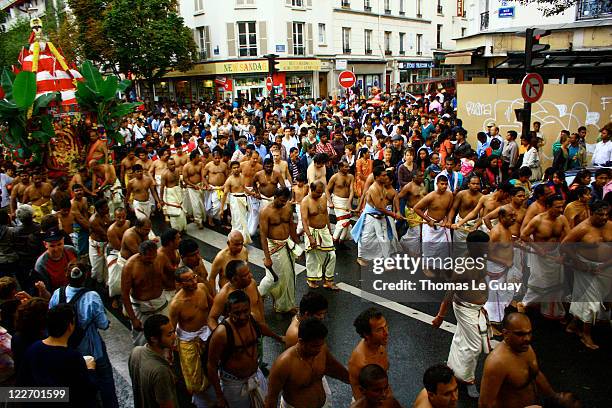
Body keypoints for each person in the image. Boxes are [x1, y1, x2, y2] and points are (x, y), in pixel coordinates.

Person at [48, 263, 118, 408]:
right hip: (93, 351)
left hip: (68, 352)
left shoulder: (57, 294)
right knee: (105, 382)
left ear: (66, 275)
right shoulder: (92, 297)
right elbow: (103, 324)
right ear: (85, 276)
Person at [432, 231, 490, 398]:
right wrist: (440, 317)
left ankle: (453, 368)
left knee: (461, 339)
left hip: (475, 308)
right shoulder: (462, 266)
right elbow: (448, 294)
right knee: (474, 346)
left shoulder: (481, 257)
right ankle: (467, 380)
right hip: (465, 309)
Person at [16, 304, 98, 407]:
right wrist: (90, 370)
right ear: (70, 326)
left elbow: (21, 385)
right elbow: (86, 392)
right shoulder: (72, 357)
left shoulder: (33, 348)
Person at [265, 318, 350, 408]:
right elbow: (271, 399)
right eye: (314, 346)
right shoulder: (284, 364)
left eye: (321, 344)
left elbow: (335, 370)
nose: (319, 349)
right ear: (301, 341)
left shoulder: (322, 350)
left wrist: (357, 383)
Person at [479, 313, 558, 408]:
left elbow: (536, 374)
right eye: (520, 334)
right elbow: (485, 404)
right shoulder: (497, 363)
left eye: (529, 333)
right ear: (505, 333)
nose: (527, 339)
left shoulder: (525, 347)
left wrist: (555, 397)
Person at [207, 290, 270, 408]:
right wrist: (220, 396)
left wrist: (278, 337)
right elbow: (211, 366)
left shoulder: (252, 319)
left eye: (246, 311)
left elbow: (261, 328)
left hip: (255, 376)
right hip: (234, 385)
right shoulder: (221, 333)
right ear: (228, 313)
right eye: (236, 313)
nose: (242, 317)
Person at [562, 200, 612, 350]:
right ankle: (586, 334)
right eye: (600, 214)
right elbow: (564, 246)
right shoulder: (581, 229)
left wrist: (607, 264)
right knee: (591, 302)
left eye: (606, 214)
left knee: (604, 298)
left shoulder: (610, 225)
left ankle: (573, 325)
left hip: (607, 267)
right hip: (586, 269)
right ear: (591, 212)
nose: (604, 217)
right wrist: (581, 263)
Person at [168, 265, 216, 407]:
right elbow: (171, 329)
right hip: (188, 339)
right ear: (179, 284)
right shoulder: (176, 304)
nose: (194, 282)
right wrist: (170, 351)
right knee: (194, 377)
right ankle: (201, 401)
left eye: (194, 277)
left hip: (206, 332)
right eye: (188, 280)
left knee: (213, 365)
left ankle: (216, 392)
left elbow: (213, 305)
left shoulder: (201, 288)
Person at [520, 195, 570, 320]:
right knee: (538, 282)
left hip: (556, 254)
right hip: (539, 256)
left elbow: (570, 238)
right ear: (548, 207)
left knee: (557, 285)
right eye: (557, 207)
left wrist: (563, 255)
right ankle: (524, 305)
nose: (560, 209)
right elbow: (524, 235)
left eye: (562, 206)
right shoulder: (537, 220)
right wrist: (538, 248)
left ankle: (553, 312)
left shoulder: (562, 219)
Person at [259, 187, 302, 313]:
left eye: (285, 201)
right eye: (281, 201)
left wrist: (297, 245)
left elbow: (291, 225)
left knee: (289, 276)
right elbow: (263, 236)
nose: (283, 203)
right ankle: (259, 294)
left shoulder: (288, 206)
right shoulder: (265, 212)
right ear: (275, 197)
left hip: (287, 244)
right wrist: (267, 258)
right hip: (274, 246)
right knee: (275, 277)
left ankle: (285, 306)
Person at [352, 166, 404, 266]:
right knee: (365, 238)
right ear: (376, 177)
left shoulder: (384, 186)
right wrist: (394, 215)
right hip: (372, 216)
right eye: (383, 175)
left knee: (385, 238)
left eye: (386, 175)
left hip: (381, 216)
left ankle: (386, 261)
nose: (385, 177)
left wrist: (397, 211)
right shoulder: (374, 189)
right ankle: (360, 257)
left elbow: (394, 195)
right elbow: (380, 207)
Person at [121, 240, 168, 346]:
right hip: (141, 307)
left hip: (161, 302)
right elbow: (124, 294)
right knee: (141, 340)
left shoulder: (160, 257)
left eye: (153, 257)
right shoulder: (129, 267)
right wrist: (133, 319)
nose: (152, 260)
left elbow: (169, 274)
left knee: (166, 333)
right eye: (148, 258)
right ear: (140, 254)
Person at [128, 314, 179, 408]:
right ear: (154, 339)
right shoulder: (160, 372)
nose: (174, 337)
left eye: (173, 332)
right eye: (169, 334)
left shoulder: (136, 351)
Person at [348, 308, 392, 404]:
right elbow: (360, 397)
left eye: (386, 326)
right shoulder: (361, 362)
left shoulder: (379, 344)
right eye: (380, 330)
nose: (386, 333)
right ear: (367, 335)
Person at [414, 175, 454, 277]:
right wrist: (428, 220)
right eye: (442, 184)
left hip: (442, 224)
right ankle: (425, 266)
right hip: (430, 224)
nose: (444, 186)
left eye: (446, 184)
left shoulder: (449, 195)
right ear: (437, 184)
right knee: (428, 246)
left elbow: (449, 210)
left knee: (444, 247)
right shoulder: (431, 196)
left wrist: (447, 219)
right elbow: (416, 208)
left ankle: (443, 268)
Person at [301, 181, 338, 290]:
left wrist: (329, 230)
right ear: (311, 190)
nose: (320, 194)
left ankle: (328, 281)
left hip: (324, 230)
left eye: (321, 192)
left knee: (332, 255)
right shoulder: (305, 201)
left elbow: (325, 214)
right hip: (312, 231)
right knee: (313, 257)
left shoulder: (323, 197)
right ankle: (311, 279)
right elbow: (304, 220)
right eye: (318, 192)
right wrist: (310, 237)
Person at [447, 175, 483, 258]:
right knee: (458, 249)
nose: (475, 186)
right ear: (468, 184)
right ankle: (457, 267)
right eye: (473, 183)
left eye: (477, 184)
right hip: (460, 225)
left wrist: (476, 225)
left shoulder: (482, 197)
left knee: (472, 250)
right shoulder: (461, 194)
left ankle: (469, 268)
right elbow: (453, 209)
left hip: (474, 225)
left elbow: (482, 216)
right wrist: (449, 221)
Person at [220, 161, 253, 245]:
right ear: (231, 169)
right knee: (237, 221)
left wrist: (252, 193)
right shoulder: (229, 180)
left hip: (243, 200)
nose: (236, 169)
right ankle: (235, 240)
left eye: (237, 167)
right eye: (234, 168)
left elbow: (244, 188)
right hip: (235, 202)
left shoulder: (242, 177)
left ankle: (243, 239)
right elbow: (224, 194)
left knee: (243, 221)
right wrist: (221, 209)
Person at [34, 228, 77, 292]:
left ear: (63, 241)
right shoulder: (41, 264)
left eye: (59, 244)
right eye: (52, 246)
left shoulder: (71, 250)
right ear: (45, 244)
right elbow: (47, 290)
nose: (56, 249)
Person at [326, 160, 355, 245]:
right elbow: (327, 190)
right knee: (342, 221)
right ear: (340, 167)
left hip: (347, 200)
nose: (348, 168)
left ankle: (341, 241)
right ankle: (334, 240)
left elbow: (352, 190)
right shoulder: (334, 177)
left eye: (348, 166)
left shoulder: (351, 176)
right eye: (346, 167)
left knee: (347, 221)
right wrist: (330, 202)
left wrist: (349, 202)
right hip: (338, 200)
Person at [106, 207, 130, 308]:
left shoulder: (128, 223)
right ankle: (115, 297)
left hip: (128, 250)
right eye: (118, 217)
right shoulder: (111, 230)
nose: (121, 219)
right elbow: (119, 248)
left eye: (123, 217)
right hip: (114, 252)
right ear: (114, 217)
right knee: (114, 278)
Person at [160, 157, 187, 232]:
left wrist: (182, 186)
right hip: (170, 194)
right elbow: (162, 187)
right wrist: (161, 200)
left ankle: (182, 228)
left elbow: (179, 181)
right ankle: (175, 230)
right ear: (167, 165)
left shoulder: (177, 171)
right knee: (174, 212)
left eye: (174, 164)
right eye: (171, 164)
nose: (173, 165)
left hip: (178, 191)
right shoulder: (164, 174)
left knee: (181, 211)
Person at [155, 228, 182, 303]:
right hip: (167, 292)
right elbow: (158, 277)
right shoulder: (160, 256)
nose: (180, 240)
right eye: (178, 238)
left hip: (177, 287)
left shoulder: (175, 250)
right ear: (170, 242)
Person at [203, 150, 229, 226]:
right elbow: (203, 177)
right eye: (215, 158)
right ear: (213, 158)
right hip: (212, 188)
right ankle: (210, 219)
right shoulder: (208, 165)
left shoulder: (224, 165)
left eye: (218, 158)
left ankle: (221, 219)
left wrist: (225, 185)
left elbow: (227, 176)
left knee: (223, 205)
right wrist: (207, 186)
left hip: (221, 188)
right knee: (215, 206)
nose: (217, 160)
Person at [88, 198, 111, 285]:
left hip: (105, 244)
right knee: (97, 268)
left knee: (106, 266)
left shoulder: (105, 215)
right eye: (105, 207)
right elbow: (105, 234)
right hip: (97, 246)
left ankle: (105, 285)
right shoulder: (94, 220)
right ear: (99, 209)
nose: (108, 208)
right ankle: (94, 285)